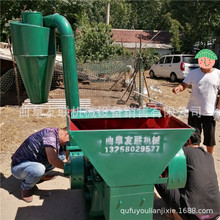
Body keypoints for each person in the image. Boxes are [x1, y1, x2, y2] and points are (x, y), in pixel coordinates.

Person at [156, 130, 220, 220]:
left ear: (188, 140)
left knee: (158, 177)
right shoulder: (209, 156)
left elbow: (165, 168)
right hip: (216, 213)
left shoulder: (184, 152)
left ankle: (175, 215)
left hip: (194, 216)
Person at [172, 49, 220, 155]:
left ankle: (209, 159)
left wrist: (218, 109)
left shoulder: (218, 74)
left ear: (213, 60)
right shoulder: (194, 73)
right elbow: (184, 84)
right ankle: (195, 158)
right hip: (194, 109)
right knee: (194, 138)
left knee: (209, 139)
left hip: (210, 112)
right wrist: (178, 88)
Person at [11, 127, 69, 202]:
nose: (69, 143)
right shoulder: (50, 135)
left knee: (61, 156)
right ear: (66, 134)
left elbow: (67, 156)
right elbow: (53, 160)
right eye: (70, 140)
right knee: (39, 169)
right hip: (19, 166)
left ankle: (40, 176)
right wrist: (69, 169)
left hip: (35, 162)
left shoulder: (60, 137)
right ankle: (26, 187)